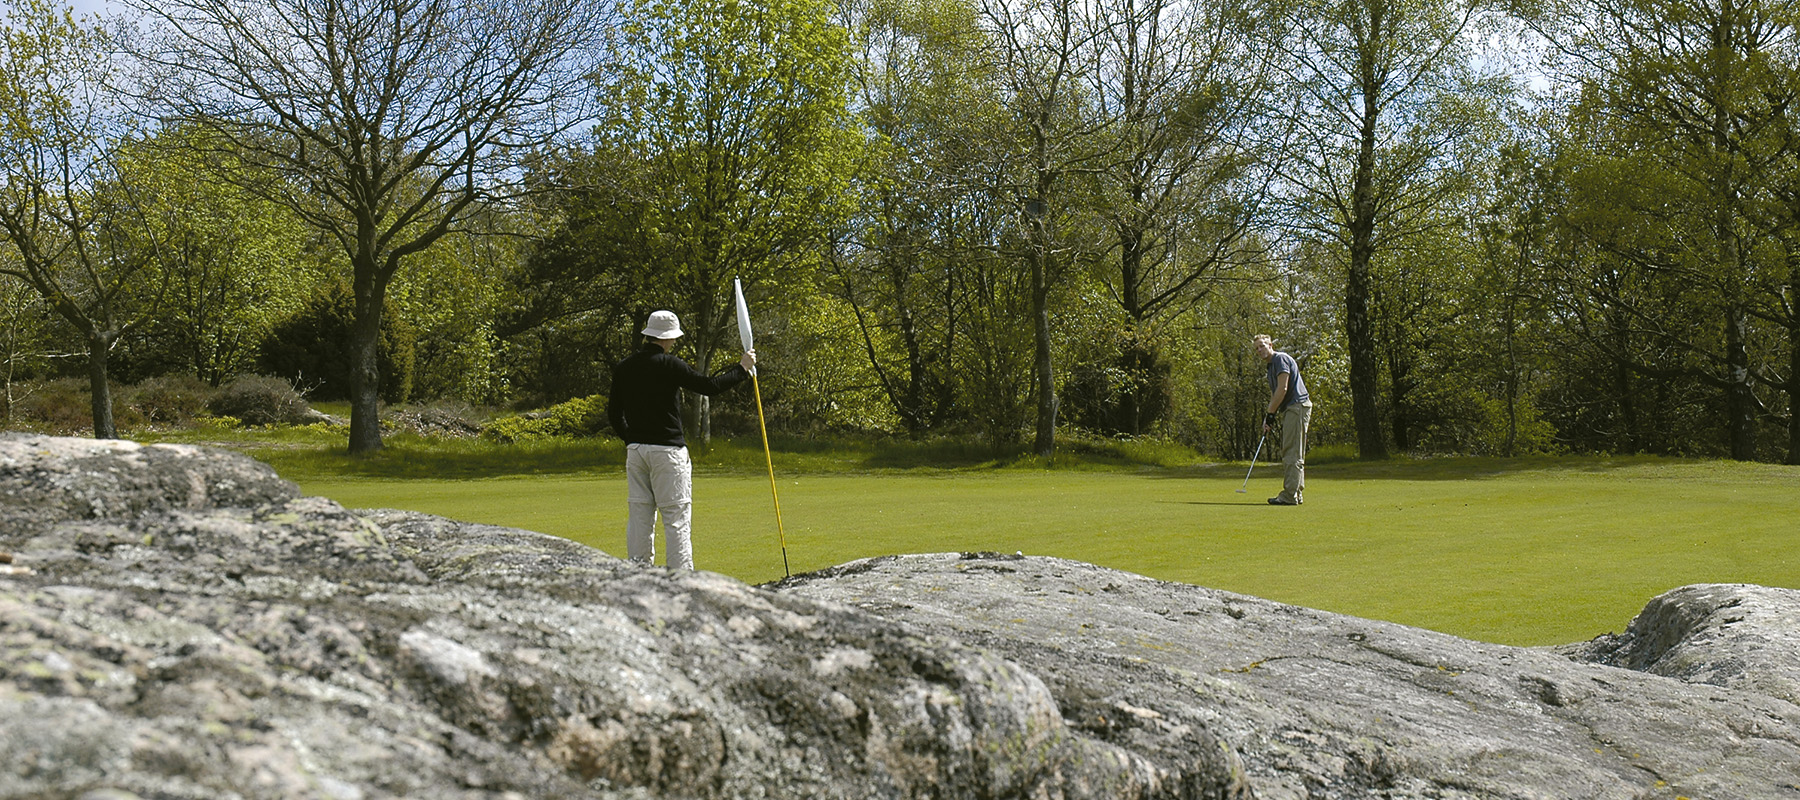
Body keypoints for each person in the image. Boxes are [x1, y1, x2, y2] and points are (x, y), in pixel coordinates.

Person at [607, 310, 756, 569]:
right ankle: (681, 581)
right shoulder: (670, 364)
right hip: (668, 452)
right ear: (666, 339)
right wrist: (742, 369)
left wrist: (630, 440)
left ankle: (637, 576)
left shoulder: (624, 367)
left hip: (637, 452)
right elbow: (709, 386)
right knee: (676, 518)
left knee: (640, 518)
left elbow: (613, 413)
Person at [1252, 334, 1311, 506]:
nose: (1259, 350)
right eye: (1256, 348)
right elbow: (1275, 393)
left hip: (1297, 406)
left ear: (1270, 344)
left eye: (1262, 346)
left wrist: (1271, 414)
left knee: (1291, 450)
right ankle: (1296, 493)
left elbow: (1283, 388)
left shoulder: (1280, 359)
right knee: (1294, 450)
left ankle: (1289, 495)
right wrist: (1269, 418)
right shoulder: (1270, 367)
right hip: (1292, 408)